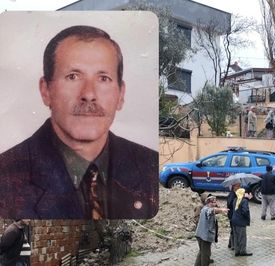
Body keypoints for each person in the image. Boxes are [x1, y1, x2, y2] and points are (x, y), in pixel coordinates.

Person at [0, 25, 158, 220]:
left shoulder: (150, 167)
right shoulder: (6, 176)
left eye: (103, 78)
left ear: (121, 94)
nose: (89, 94)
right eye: (73, 76)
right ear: (46, 90)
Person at [194, 195, 228, 266]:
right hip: (204, 236)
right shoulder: (207, 210)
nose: (216, 203)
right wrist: (221, 210)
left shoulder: (204, 208)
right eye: (214, 202)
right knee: (206, 253)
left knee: (201, 251)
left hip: (200, 234)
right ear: (209, 202)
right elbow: (212, 211)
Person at [231, 188, 252, 256]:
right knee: (242, 237)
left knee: (236, 236)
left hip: (234, 221)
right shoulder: (244, 201)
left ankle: (237, 251)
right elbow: (245, 211)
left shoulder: (235, 200)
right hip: (241, 221)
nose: (245, 194)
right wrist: (247, 218)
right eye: (244, 193)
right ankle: (242, 251)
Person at [226, 182, 240, 250]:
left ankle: (230, 243)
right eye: (238, 186)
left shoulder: (236, 193)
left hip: (234, 214)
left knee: (233, 229)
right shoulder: (232, 194)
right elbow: (229, 204)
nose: (239, 187)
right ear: (234, 186)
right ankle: (232, 245)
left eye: (239, 186)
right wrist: (237, 201)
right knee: (233, 230)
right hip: (232, 215)